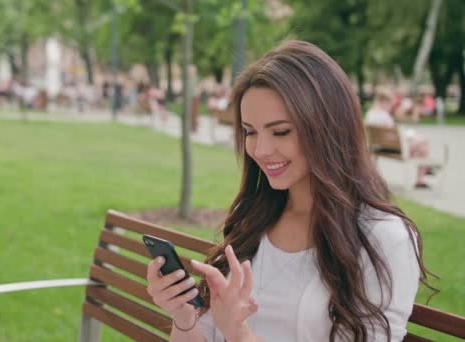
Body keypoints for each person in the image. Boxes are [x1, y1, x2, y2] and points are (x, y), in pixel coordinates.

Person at [146, 40, 434, 342]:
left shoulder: (384, 238)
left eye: (280, 131)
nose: (261, 149)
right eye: (250, 132)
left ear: (327, 127)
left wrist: (238, 333)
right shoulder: (255, 219)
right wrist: (184, 317)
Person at [364, 90, 433, 189]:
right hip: (394, 148)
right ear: (385, 102)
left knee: (422, 146)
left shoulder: (370, 114)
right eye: (390, 104)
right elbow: (394, 137)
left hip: (379, 148)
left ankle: (425, 171)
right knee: (424, 141)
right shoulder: (384, 116)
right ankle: (421, 178)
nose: (391, 107)